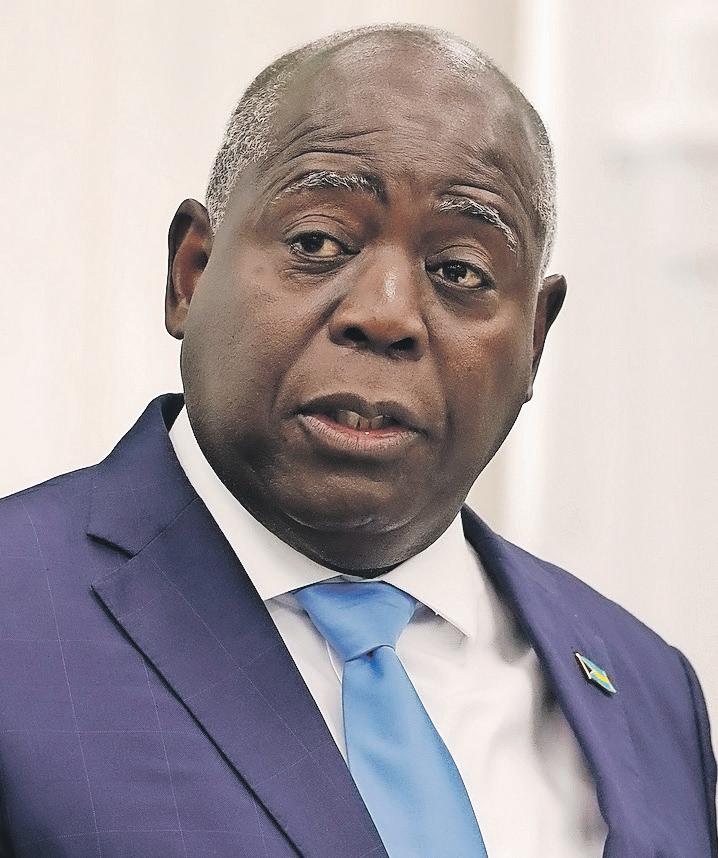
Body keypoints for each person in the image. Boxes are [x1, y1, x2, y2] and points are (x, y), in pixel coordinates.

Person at [0, 23, 715, 858]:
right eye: (317, 243)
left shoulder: (651, 691)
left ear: (534, 341)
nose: (384, 313)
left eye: (460, 271)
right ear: (190, 272)